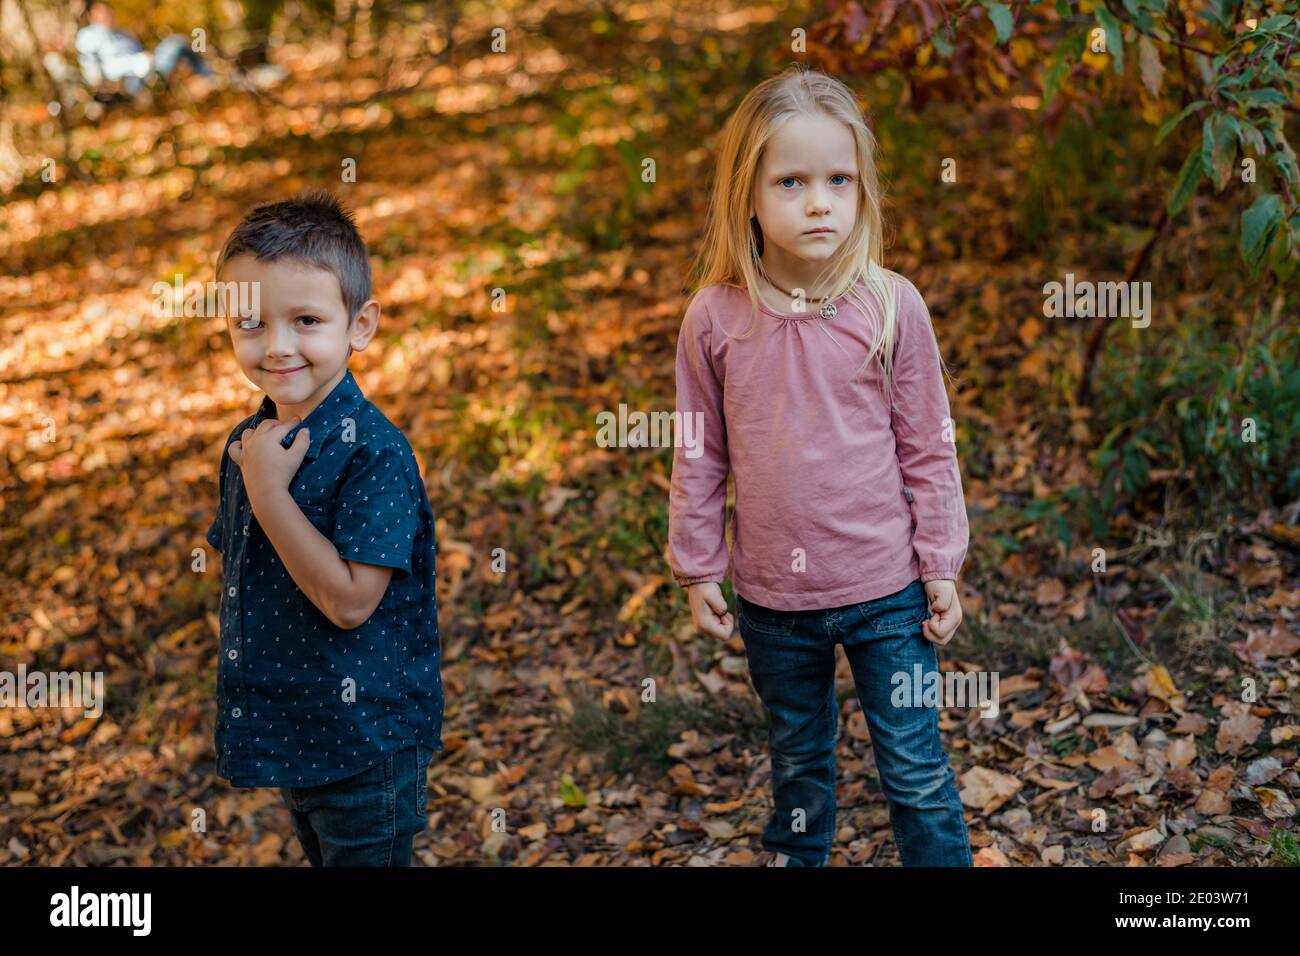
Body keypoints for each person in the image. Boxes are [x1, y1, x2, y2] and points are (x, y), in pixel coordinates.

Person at [667, 65, 973, 867]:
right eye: (792, 181)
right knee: (799, 769)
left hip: (888, 593)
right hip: (775, 601)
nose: (818, 201)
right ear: (749, 196)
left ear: (863, 190)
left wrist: (941, 561)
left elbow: (928, 443)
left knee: (913, 768)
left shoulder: (891, 305)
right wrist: (699, 564)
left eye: (839, 179)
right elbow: (699, 450)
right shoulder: (716, 318)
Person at [205, 190, 444, 866]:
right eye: (250, 323)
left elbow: (349, 601)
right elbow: (244, 574)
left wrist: (268, 492)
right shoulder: (253, 442)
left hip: (365, 740)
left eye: (306, 319)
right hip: (296, 732)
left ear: (358, 325)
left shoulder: (374, 452)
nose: (277, 346)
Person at [74, 2, 213, 97]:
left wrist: (145, 57)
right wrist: (136, 62)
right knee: (177, 42)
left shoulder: (122, 33)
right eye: (102, 13)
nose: (107, 16)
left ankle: (206, 75)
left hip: (148, 67)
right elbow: (98, 68)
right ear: (91, 16)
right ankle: (208, 76)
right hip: (133, 79)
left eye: (109, 12)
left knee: (180, 43)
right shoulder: (89, 36)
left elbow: (140, 50)